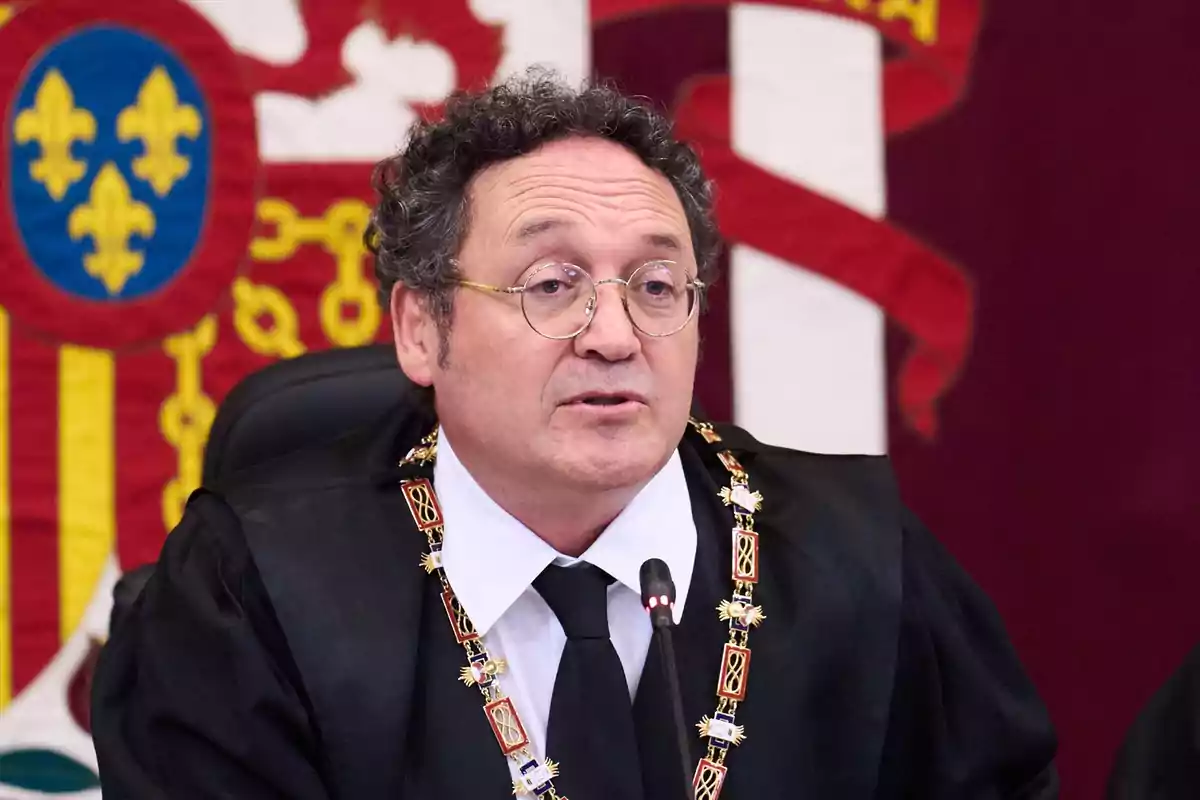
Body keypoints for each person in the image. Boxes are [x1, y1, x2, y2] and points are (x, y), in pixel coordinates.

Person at [91, 70, 1059, 799]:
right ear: (421, 327)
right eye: (551, 284)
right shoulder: (251, 585)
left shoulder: (864, 560)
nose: (613, 334)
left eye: (654, 284)